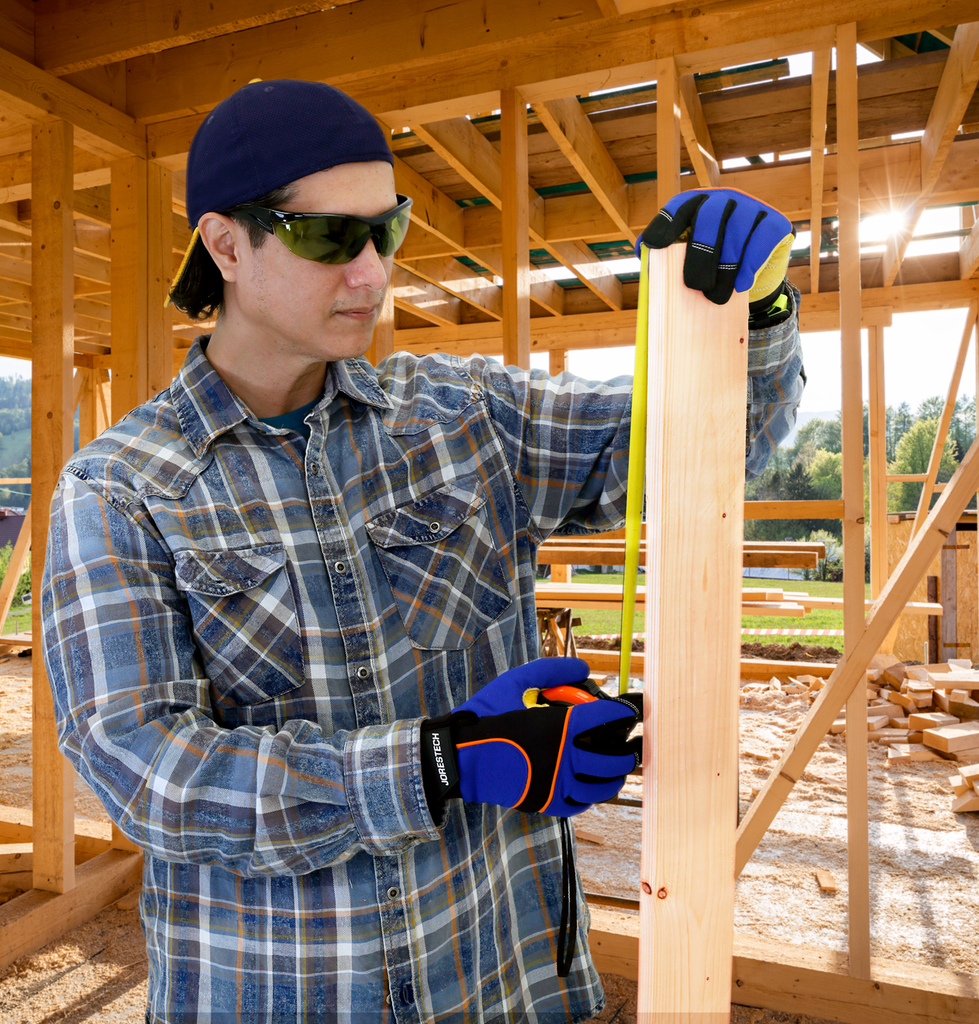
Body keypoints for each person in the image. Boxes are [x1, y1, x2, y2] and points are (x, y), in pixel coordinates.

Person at [41, 79, 804, 1023]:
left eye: (386, 231)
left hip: (500, 977)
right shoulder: (120, 490)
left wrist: (756, 316)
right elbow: (150, 775)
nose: (370, 274)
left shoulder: (466, 418)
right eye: (329, 238)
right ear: (225, 243)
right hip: (282, 995)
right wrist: (440, 762)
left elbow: (703, 448)